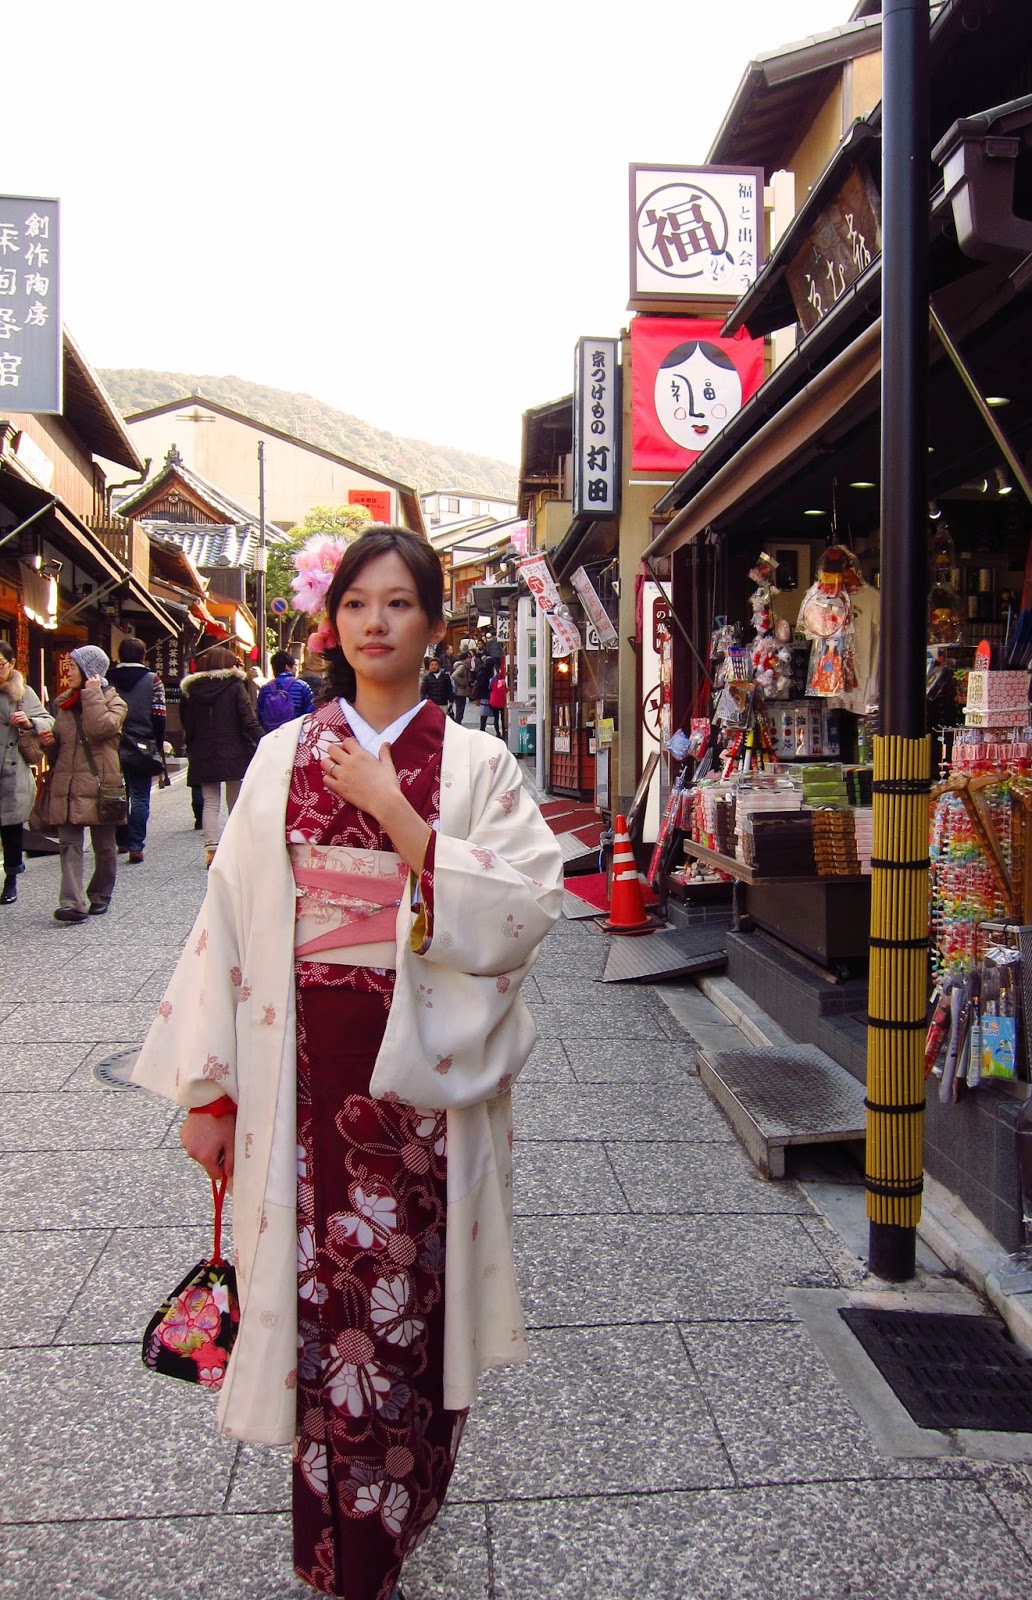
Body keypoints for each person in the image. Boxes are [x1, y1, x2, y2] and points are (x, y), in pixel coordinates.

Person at [133, 526, 563, 1600]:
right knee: (320, 1304)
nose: (377, 623)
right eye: (359, 604)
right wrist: (209, 1088)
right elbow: (228, 920)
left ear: (435, 623)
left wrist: (397, 814)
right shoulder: (284, 752)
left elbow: (525, 908)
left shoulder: (475, 764)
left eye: (400, 603)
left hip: (422, 1070)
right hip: (298, 1059)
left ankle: (393, 1512)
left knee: (408, 1300)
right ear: (333, 624)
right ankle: (345, 1548)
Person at [43, 645, 127, 922]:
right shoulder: (64, 705)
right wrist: (49, 743)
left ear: (89, 671)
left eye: (72, 667)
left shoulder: (115, 702)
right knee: (69, 843)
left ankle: (100, 894)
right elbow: (61, 750)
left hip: (101, 783)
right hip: (67, 782)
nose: (67, 672)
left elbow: (100, 729)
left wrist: (91, 693)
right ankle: (72, 903)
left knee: (104, 846)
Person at [180, 645, 263, 867]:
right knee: (234, 800)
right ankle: (236, 847)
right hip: (233, 750)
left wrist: (191, 746)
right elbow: (248, 719)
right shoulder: (235, 686)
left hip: (203, 750)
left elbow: (187, 723)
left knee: (210, 801)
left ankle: (212, 849)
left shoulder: (192, 690)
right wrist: (264, 740)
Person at [0, 639, 55, 905]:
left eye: (0, 664)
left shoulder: (23, 692)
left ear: (11, 664)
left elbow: (49, 720)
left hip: (12, 771)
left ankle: (11, 879)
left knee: (11, 829)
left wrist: (30, 722)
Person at [110, 638, 167, 865]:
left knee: (117, 793)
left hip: (112, 743)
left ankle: (121, 840)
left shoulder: (107, 679)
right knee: (140, 796)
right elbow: (159, 715)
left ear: (119, 655)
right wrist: (158, 744)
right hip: (142, 744)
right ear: (143, 656)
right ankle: (136, 845)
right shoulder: (153, 680)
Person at [258, 650, 316, 731]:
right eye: (295, 665)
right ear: (287, 667)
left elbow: (260, 716)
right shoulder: (302, 686)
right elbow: (310, 714)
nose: (296, 669)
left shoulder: (265, 689)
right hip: (295, 733)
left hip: (272, 734)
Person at [471, 653, 495, 731]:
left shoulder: (483, 671)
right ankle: (482, 727)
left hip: (485, 693)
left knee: (484, 711)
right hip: (485, 694)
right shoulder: (484, 672)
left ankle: (483, 727)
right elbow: (482, 683)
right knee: (484, 711)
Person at [449, 648, 472, 724]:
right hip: (460, 692)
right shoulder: (462, 667)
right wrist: (462, 683)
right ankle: (457, 723)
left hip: (461, 692)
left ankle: (457, 723)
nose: (470, 660)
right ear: (465, 658)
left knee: (460, 709)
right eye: (469, 658)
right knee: (460, 710)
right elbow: (454, 676)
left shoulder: (464, 666)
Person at [486, 663, 507, 741]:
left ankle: (498, 732)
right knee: (503, 717)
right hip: (502, 700)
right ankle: (504, 731)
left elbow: (489, 687)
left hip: (494, 701)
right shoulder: (505, 679)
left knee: (496, 718)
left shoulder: (493, 679)